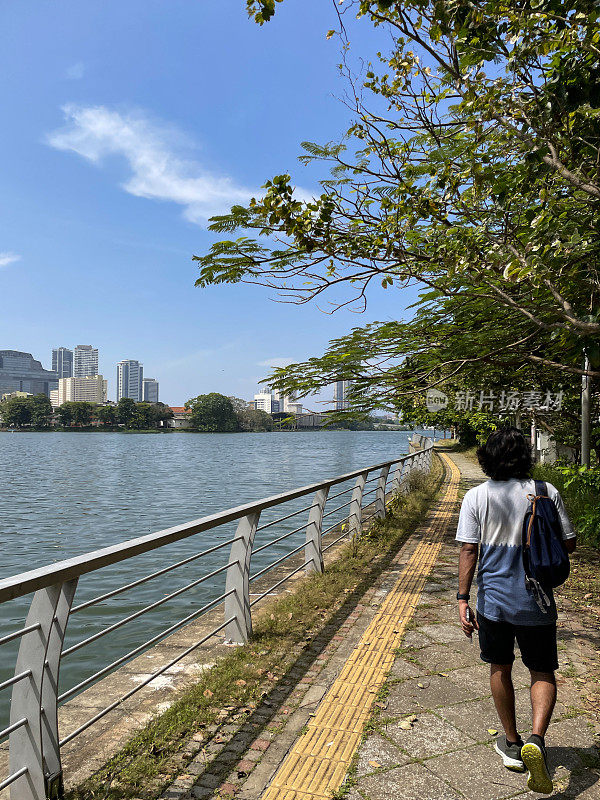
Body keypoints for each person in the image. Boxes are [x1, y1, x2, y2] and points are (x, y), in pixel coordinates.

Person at [456, 427, 576, 795]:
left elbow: (469, 551)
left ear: (487, 458)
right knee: (542, 670)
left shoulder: (476, 496)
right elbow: (569, 543)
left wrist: (462, 598)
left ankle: (511, 742)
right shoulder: (545, 491)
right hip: (537, 601)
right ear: (525, 456)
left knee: (500, 666)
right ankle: (537, 740)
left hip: (494, 602)